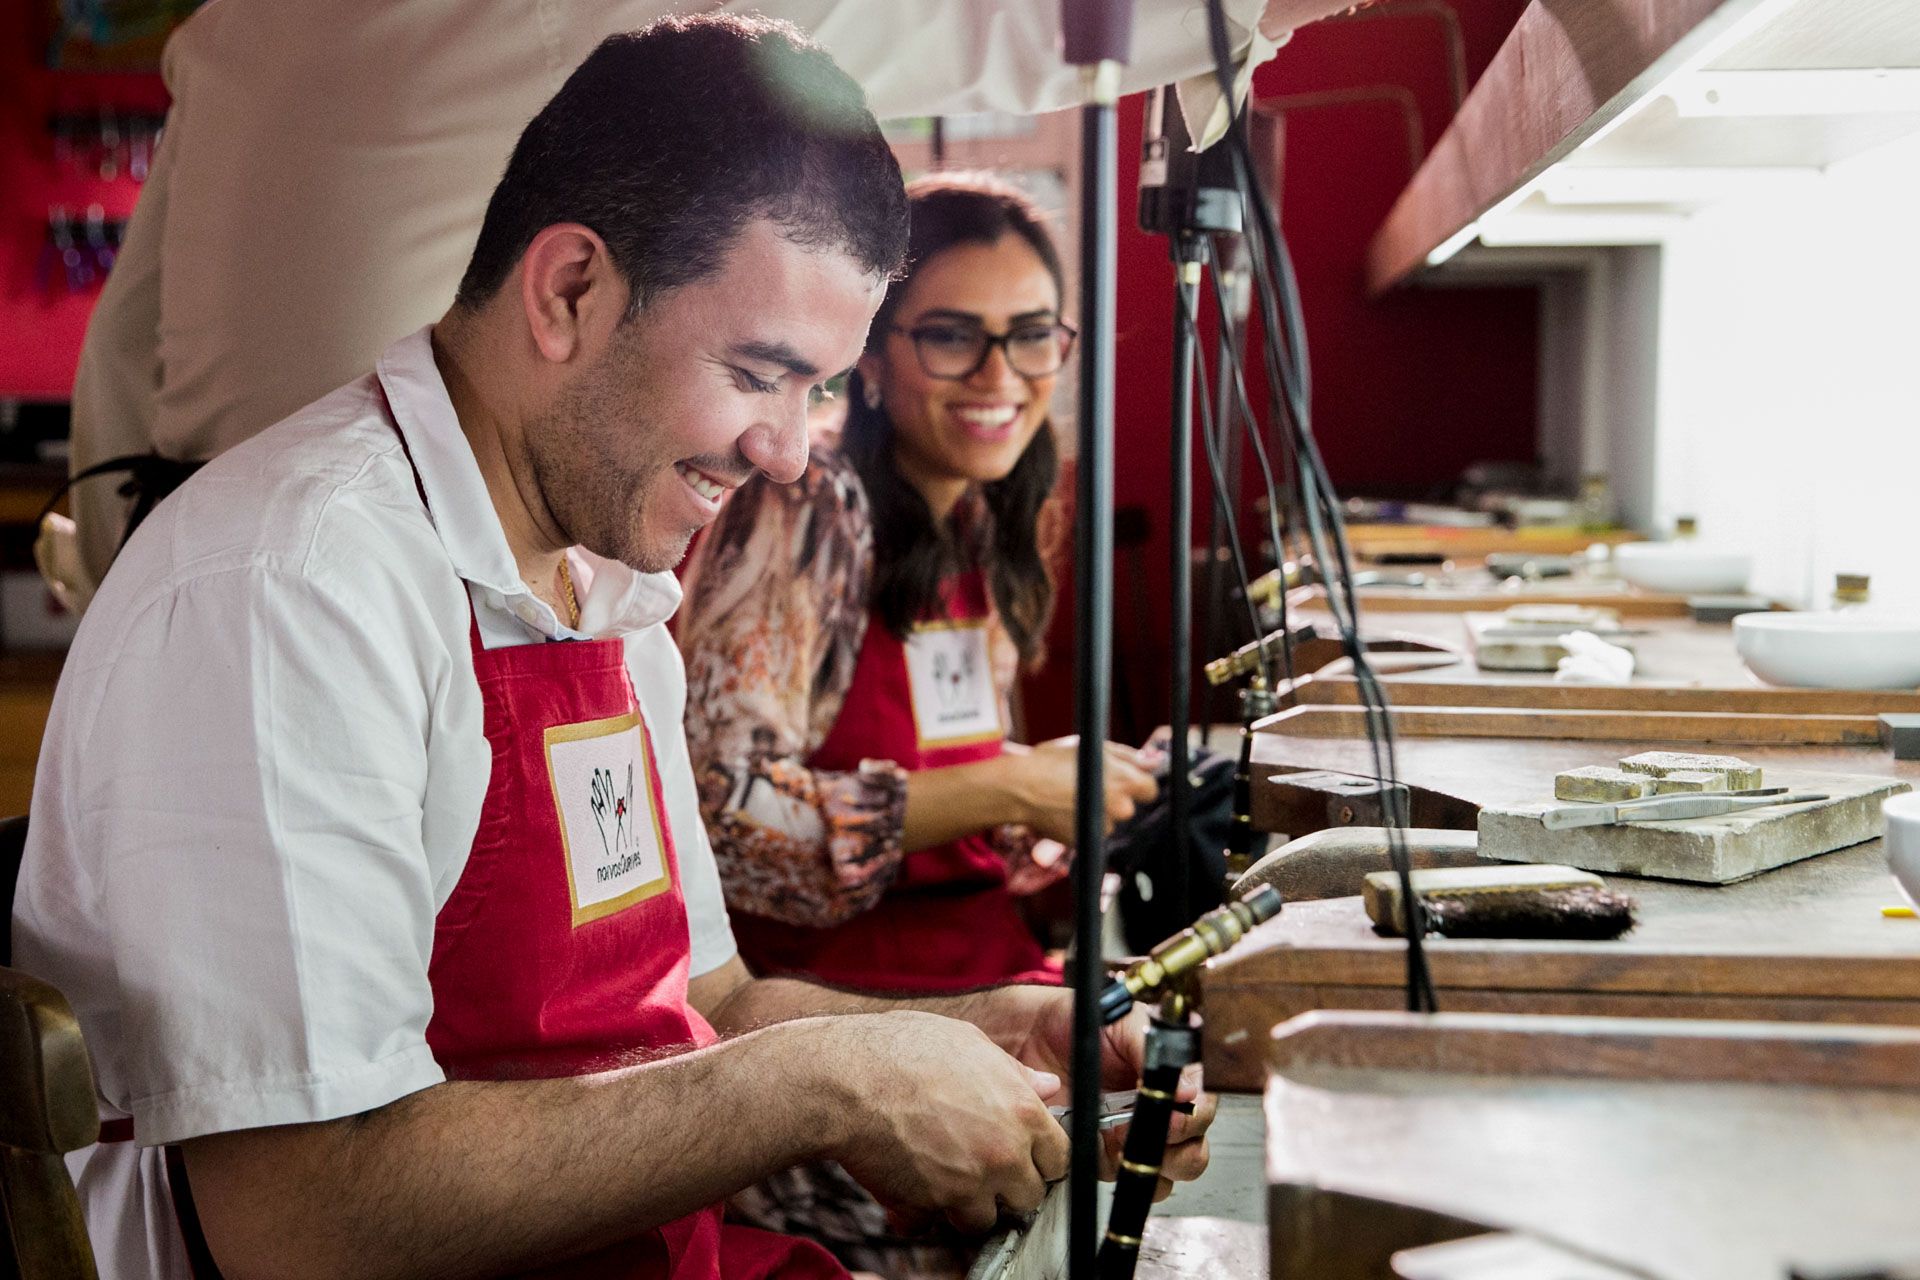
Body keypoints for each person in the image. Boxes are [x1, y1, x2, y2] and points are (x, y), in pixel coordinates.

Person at [12, 19, 1214, 1280]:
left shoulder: (606, 581)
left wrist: (978, 1035)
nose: (793, 450)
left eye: (821, 390)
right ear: (570, 288)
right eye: (760, 372)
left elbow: (717, 1006)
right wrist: (828, 1089)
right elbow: (300, 1216)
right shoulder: (295, 587)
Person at [40, 0, 1336, 608]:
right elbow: (1019, 22)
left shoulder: (245, 25)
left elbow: (125, 365)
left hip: (210, 583)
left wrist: (122, 587)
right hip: (377, 626)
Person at [679, 173, 1157, 996]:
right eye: (951, 336)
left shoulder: (981, 516)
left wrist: (1043, 793)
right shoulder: (807, 504)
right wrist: (1005, 785)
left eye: (1031, 334)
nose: (999, 376)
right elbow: (722, 816)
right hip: (837, 1004)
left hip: (983, 964)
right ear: (868, 355)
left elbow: (929, 761)